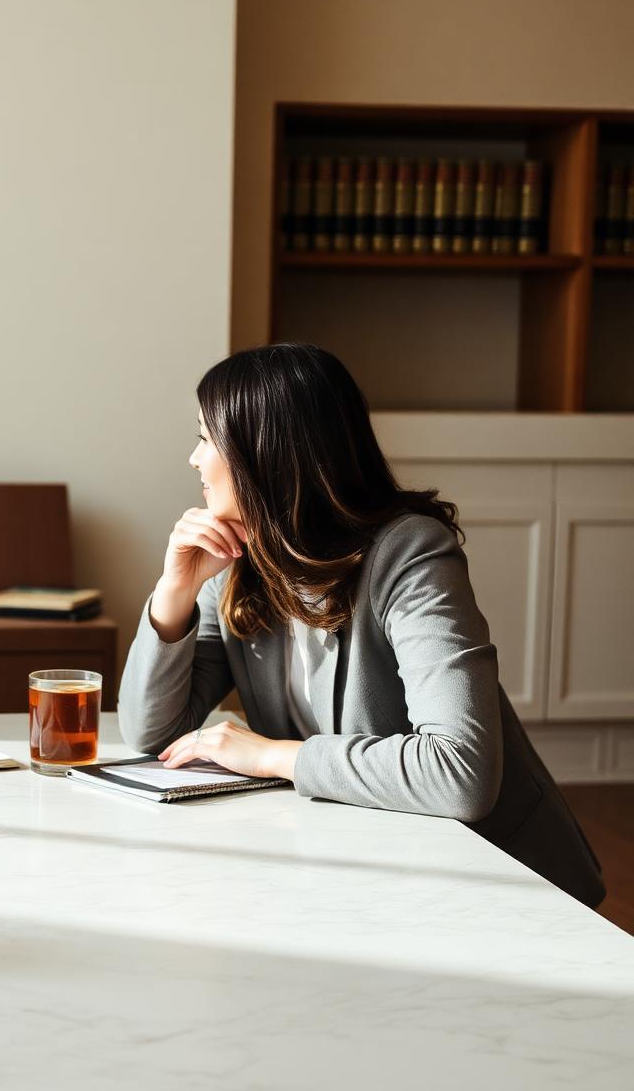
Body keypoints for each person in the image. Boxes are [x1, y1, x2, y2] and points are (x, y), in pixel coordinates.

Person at [118, 342, 603, 907]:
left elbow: (459, 772)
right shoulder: (235, 565)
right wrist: (174, 590)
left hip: (499, 884)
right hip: (368, 866)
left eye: (207, 438)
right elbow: (150, 734)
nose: (194, 459)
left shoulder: (410, 553)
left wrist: (274, 756)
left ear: (266, 453)